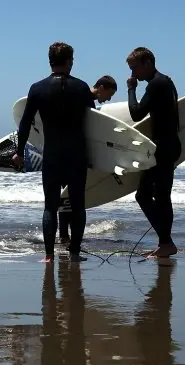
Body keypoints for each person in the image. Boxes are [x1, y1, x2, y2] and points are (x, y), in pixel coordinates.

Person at [12, 42, 96, 263]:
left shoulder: (37, 88)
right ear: (69, 61)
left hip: (52, 155)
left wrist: (19, 152)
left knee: (50, 205)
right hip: (76, 154)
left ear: (50, 61)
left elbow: (25, 124)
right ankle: (75, 253)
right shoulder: (82, 88)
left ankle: (49, 256)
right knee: (78, 205)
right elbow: (95, 125)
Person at [126, 47, 181, 258]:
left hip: (163, 147)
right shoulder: (165, 82)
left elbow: (136, 113)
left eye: (135, 68)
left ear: (148, 62)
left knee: (150, 196)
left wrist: (131, 89)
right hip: (168, 145)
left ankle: (166, 243)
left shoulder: (157, 84)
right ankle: (165, 242)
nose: (133, 74)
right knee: (157, 195)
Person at [56, 75, 118, 245]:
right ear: (102, 87)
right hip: (74, 153)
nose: (108, 100)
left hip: (61, 151)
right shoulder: (85, 98)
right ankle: (65, 237)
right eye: (109, 95)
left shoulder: (79, 97)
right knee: (70, 197)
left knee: (66, 195)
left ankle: (64, 235)